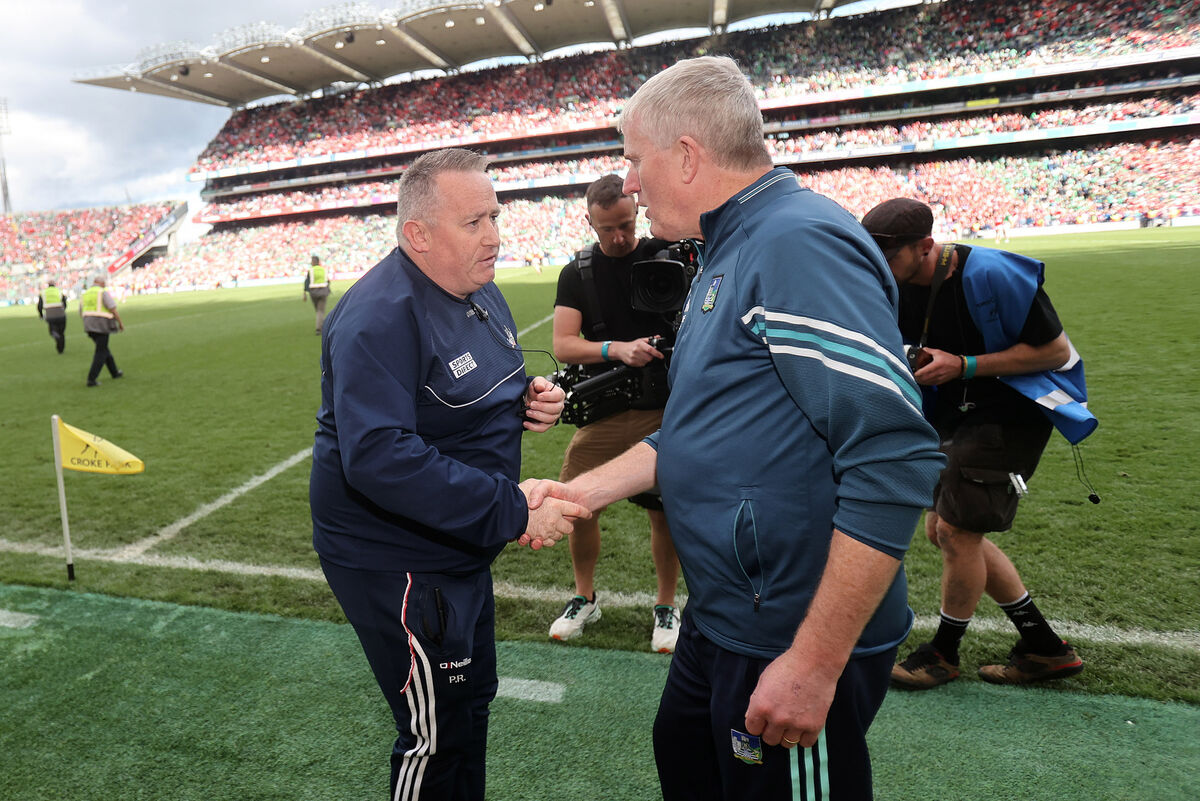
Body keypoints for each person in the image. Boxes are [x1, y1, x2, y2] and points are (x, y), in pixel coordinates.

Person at [525, 57, 944, 800]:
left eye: (632, 158)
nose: (627, 182)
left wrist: (814, 662)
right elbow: (699, 428)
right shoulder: (730, 244)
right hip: (723, 617)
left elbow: (893, 454)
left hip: (788, 626)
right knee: (685, 760)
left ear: (686, 155)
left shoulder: (795, 243)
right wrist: (580, 489)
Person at [309, 148, 589, 801]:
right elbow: (378, 457)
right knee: (433, 734)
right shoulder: (379, 316)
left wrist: (527, 401)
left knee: (468, 705)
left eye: (494, 215)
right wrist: (515, 508)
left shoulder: (478, 288)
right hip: (398, 557)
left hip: (459, 542)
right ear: (419, 234)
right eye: (474, 222)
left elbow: (462, 391)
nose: (494, 234)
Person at [860, 197, 1096, 691]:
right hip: (952, 413)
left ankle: (943, 654)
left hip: (1012, 412)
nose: (879, 266)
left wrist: (965, 365)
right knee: (943, 531)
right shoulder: (896, 286)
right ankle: (1044, 645)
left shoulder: (989, 272)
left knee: (956, 533)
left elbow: (1055, 352)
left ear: (926, 246)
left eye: (889, 255)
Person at [548, 173, 683, 653]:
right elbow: (562, 344)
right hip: (605, 412)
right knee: (576, 503)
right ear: (590, 222)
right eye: (608, 229)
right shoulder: (576, 272)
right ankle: (584, 595)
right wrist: (618, 349)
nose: (621, 237)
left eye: (626, 224)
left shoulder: (668, 255)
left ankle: (666, 604)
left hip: (664, 409)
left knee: (665, 513)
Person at [79, 274, 124, 387]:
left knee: (104, 349)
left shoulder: (85, 294)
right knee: (101, 352)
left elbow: (81, 311)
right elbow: (112, 308)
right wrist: (120, 323)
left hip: (89, 325)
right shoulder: (102, 292)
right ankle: (91, 379)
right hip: (101, 325)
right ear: (102, 283)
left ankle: (114, 372)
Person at [303, 254, 332, 333]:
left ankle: (319, 328)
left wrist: (304, 293)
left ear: (313, 262)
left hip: (314, 292)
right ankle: (321, 325)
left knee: (318, 310)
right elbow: (328, 281)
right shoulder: (323, 269)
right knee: (320, 310)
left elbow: (307, 282)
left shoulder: (311, 270)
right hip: (323, 291)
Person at [38, 280, 68, 353]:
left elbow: (39, 306)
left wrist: (41, 315)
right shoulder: (59, 291)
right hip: (61, 314)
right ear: (55, 284)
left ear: (48, 285)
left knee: (53, 330)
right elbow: (65, 304)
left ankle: (56, 336)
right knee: (61, 332)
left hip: (50, 314)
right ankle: (61, 349)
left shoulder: (43, 292)